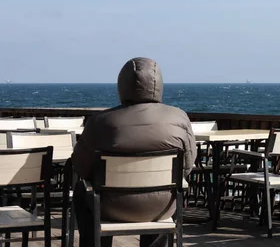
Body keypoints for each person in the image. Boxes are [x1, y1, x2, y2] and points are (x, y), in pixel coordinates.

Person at [72, 57, 196, 247]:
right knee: (167, 191)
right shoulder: (180, 118)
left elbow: (81, 166)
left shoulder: (101, 121)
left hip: (112, 207)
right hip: (161, 208)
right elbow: (186, 167)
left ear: (122, 85)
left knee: (82, 191)